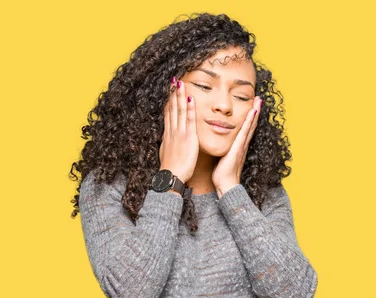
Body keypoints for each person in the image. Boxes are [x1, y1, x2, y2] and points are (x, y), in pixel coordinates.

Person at [68, 13, 318, 297]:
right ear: (164, 90)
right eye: (204, 86)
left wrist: (231, 189)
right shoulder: (109, 186)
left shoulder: (262, 193)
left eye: (241, 96)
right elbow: (131, 290)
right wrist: (170, 180)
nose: (224, 105)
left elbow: (295, 292)